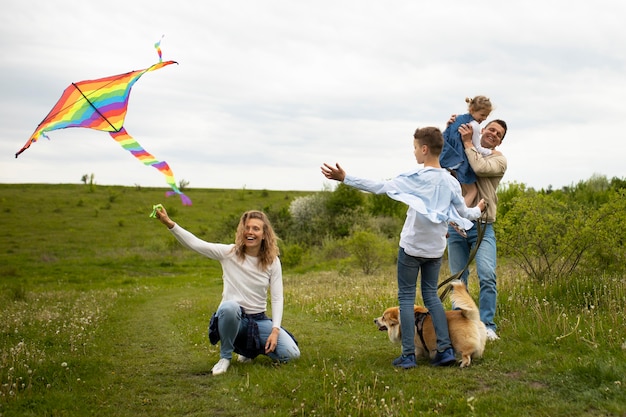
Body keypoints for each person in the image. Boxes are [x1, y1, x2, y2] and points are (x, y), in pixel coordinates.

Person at [321, 126, 485, 368]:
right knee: (432, 297)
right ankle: (445, 350)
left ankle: (408, 354)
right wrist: (478, 210)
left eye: (416, 148)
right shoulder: (451, 182)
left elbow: (379, 187)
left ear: (425, 149)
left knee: (406, 299)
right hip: (434, 250)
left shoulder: (414, 178)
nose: (415, 153)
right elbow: (464, 212)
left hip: (411, 249)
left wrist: (345, 178)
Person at [153, 207, 300, 375]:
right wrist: (169, 223)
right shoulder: (229, 253)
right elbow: (195, 244)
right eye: (247, 227)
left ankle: (247, 351)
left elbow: (277, 298)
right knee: (230, 308)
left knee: (292, 354)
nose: (250, 232)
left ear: (264, 234)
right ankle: (225, 357)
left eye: (256, 228)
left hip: (258, 320)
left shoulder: (272, 261)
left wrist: (275, 330)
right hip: (232, 317)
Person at [446, 118, 508, 341]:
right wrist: (452, 126)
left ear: (499, 142)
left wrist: (467, 144)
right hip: (456, 226)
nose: (493, 133)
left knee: (487, 275)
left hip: (482, 227)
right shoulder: (464, 148)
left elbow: (478, 167)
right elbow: (446, 164)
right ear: (482, 129)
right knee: (458, 278)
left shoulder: (498, 159)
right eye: (491, 129)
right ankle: (460, 324)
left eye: (498, 134)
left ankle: (488, 325)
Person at [440, 96, 493, 206]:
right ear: (472, 110)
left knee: (454, 190)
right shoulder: (474, 125)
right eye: (482, 115)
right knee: (472, 191)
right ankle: (458, 217)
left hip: (447, 156)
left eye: (486, 116)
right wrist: (491, 152)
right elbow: (477, 148)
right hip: (459, 160)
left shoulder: (458, 118)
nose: (484, 119)